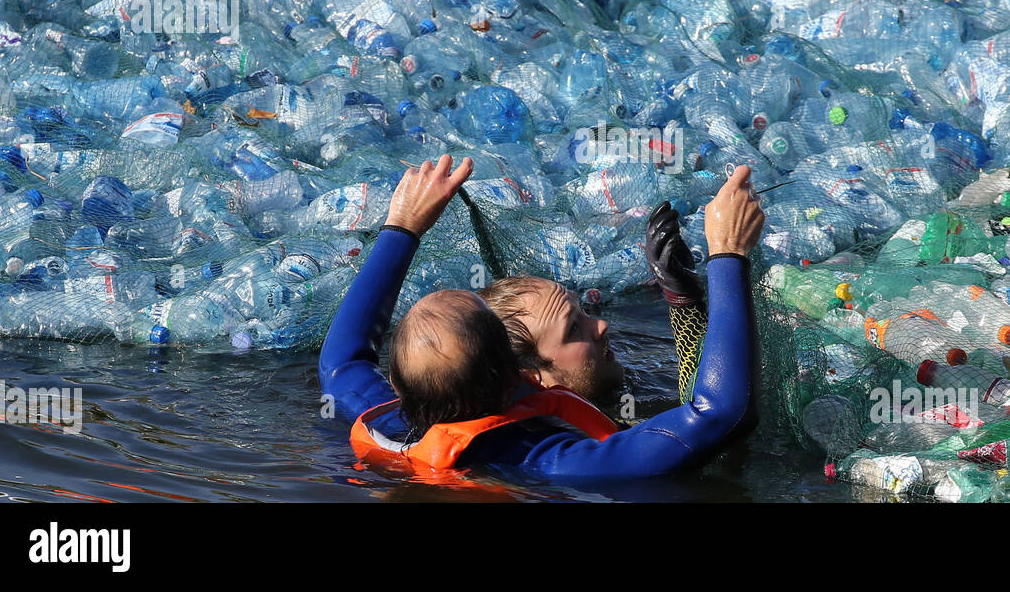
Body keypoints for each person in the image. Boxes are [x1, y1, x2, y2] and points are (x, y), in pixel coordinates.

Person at [318, 153, 765, 480]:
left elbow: (343, 363)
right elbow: (720, 412)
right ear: (524, 376)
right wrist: (727, 255)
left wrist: (403, 227)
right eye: (574, 329)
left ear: (397, 386)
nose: (602, 324)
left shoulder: (387, 420)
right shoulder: (552, 462)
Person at [480, 200, 710, 407]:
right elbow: (709, 412)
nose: (601, 325)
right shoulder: (585, 445)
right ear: (531, 377)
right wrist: (685, 302)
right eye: (573, 329)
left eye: (582, 312)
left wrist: (680, 289)